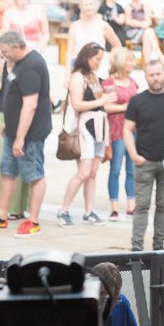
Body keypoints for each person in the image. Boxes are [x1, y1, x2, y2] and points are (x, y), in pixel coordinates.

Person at [0, 31, 51, 237]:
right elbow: (9, 94)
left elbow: (30, 105)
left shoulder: (31, 65)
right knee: (7, 170)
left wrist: (20, 138)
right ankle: (1, 216)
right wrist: (10, 126)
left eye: (4, 51)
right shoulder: (16, 62)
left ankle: (33, 221)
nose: (2, 55)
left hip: (31, 133)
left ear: (17, 47)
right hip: (13, 128)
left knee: (34, 173)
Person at [123, 60, 164, 251]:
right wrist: (133, 154)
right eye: (151, 75)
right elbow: (127, 129)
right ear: (146, 76)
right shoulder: (137, 101)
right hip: (144, 161)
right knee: (141, 206)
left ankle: (159, 246)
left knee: (163, 206)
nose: (155, 78)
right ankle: (137, 247)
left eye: (158, 74)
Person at [58, 43, 109, 226]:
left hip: (100, 126)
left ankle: (89, 211)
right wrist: (102, 100)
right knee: (83, 172)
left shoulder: (93, 76)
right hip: (86, 126)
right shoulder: (78, 77)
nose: (98, 63)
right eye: (97, 59)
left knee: (92, 173)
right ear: (87, 57)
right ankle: (64, 209)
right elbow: (77, 104)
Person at [102, 47, 139, 220]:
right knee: (115, 169)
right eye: (129, 60)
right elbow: (107, 106)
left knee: (132, 169)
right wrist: (125, 108)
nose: (132, 63)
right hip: (116, 130)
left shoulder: (132, 82)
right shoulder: (110, 83)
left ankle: (131, 205)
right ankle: (114, 206)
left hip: (133, 130)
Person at [90, 262, 143, 326]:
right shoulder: (77, 308)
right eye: (102, 297)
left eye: (114, 299)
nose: (109, 304)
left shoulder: (121, 303)